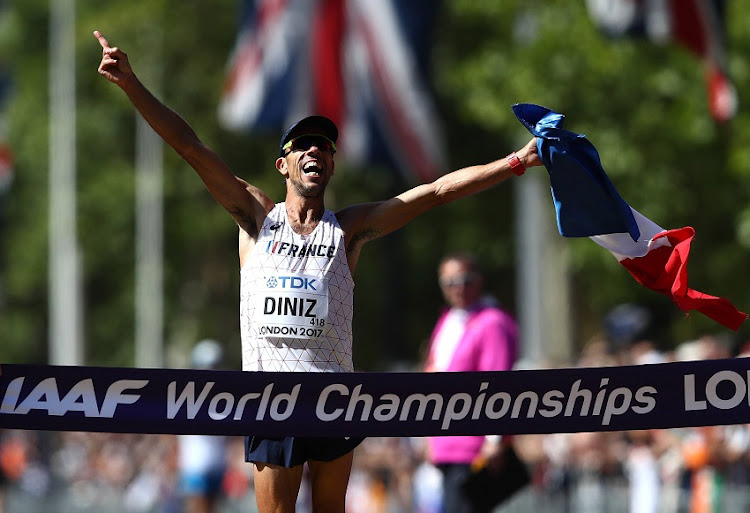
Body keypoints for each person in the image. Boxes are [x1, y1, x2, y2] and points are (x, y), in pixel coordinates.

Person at [93, 30, 542, 513]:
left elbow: (435, 192)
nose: (315, 150)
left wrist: (518, 159)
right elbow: (191, 147)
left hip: (333, 398)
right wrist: (131, 84)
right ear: (282, 164)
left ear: (330, 165)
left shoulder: (349, 230)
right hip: (270, 399)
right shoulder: (255, 217)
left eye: (324, 146)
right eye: (303, 144)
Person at [423, 253, 521, 513]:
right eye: (451, 282)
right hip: (446, 444)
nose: (459, 287)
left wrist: (495, 440)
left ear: (479, 281)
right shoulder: (448, 321)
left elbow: (497, 383)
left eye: (466, 280)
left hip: (474, 447)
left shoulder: (492, 322)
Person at [177, 340, 229, 513]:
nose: (211, 370)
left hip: (217, 463)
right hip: (196, 465)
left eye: (215, 365)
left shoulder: (226, 395)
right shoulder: (187, 393)